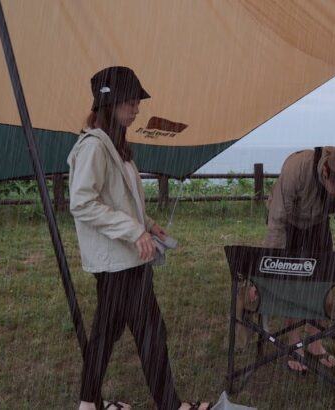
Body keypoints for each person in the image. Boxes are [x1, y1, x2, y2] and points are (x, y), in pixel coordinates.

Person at [68, 66, 210, 410]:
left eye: (137, 102)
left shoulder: (113, 144)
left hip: (126, 258)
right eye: (131, 102)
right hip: (119, 261)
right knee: (150, 335)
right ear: (110, 103)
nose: (137, 109)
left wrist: (147, 224)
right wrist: (133, 231)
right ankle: (172, 405)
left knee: (106, 335)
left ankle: (89, 405)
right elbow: (82, 202)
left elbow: (120, 198)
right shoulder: (94, 147)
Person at [264, 146, 335, 373]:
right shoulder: (296, 168)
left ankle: (314, 339)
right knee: (290, 279)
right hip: (288, 220)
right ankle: (294, 341)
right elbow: (276, 222)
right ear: (326, 172)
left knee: (323, 277)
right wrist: (272, 268)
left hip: (318, 222)